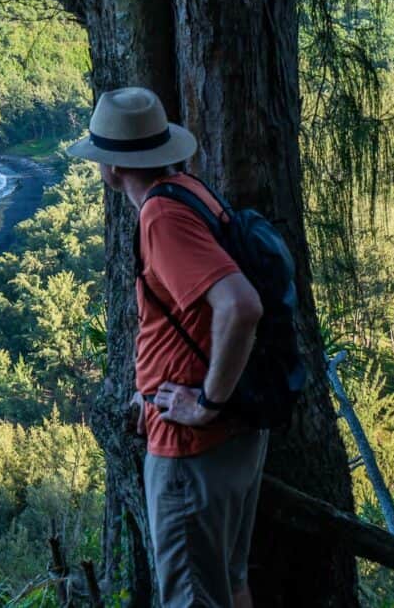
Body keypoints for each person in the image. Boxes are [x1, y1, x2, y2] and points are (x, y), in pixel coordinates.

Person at [67, 87, 268, 608]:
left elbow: (240, 306)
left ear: (111, 167)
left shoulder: (161, 217)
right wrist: (148, 389)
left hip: (193, 448)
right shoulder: (191, 192)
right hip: (237, 435)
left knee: (193, 599)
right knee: (230, 581)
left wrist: (205, 404)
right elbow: (190, 317)